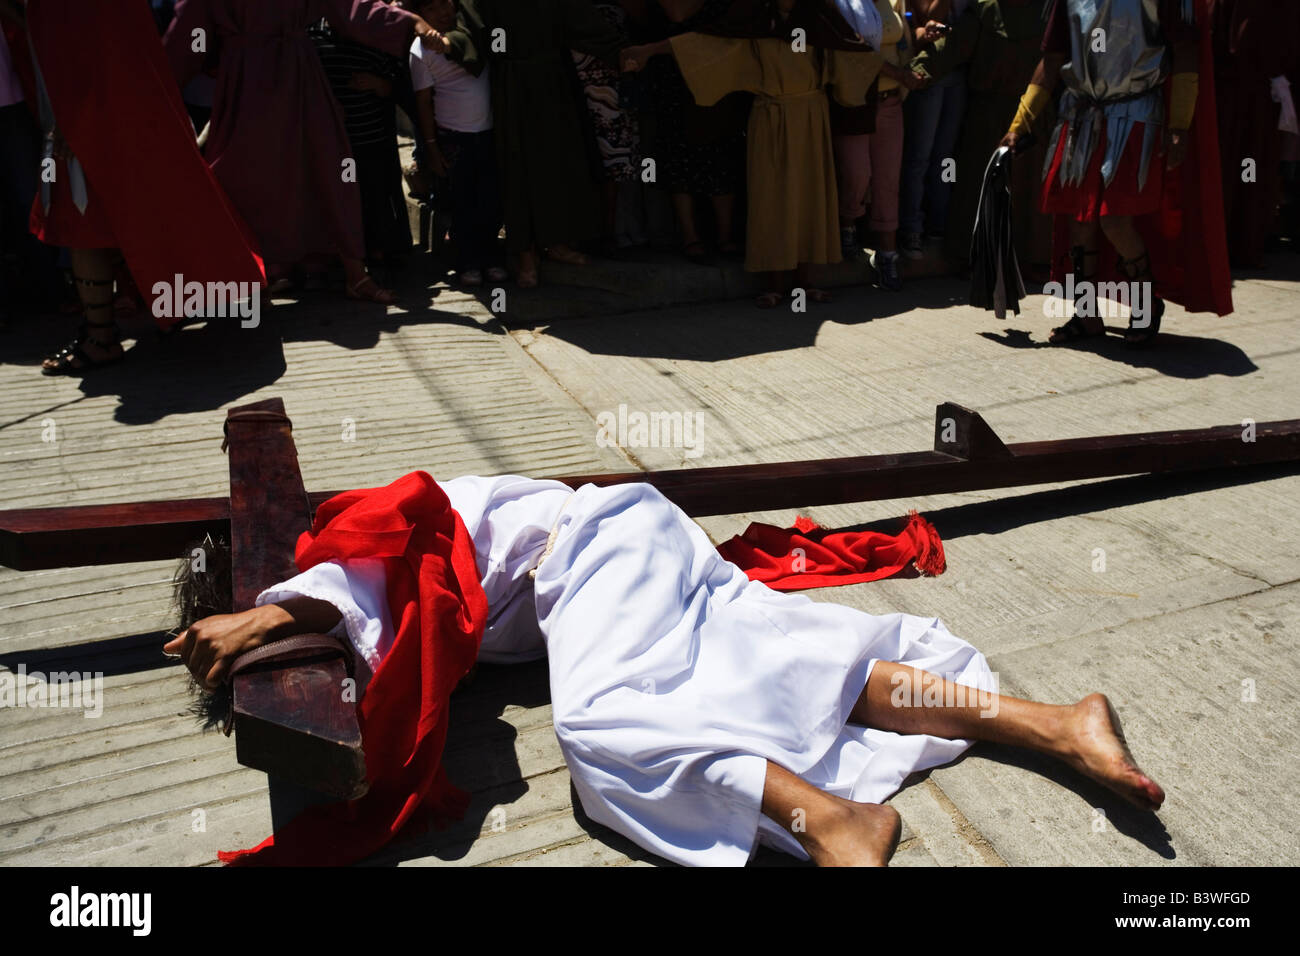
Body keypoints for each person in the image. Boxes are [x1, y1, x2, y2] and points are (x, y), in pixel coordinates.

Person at [168, 471, 1166, 867]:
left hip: (594, 551)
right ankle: (1052, 722)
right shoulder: (353, 555)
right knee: (789, 666)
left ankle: (832, 818)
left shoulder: (348, 537)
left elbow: (383, 564)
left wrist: (269, 608)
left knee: (602, 731)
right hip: (633, 533)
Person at [25, 0, 265, 375]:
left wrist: (74, 118)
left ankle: (101, 337)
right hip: (116, 110)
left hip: (95, 116)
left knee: (87, 224)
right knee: (127, 212)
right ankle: (146, 311)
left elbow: (92, 51)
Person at [163, 0, 448, 304]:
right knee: (248, 178)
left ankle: (353, 272)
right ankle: (261, 270)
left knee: (330, 169)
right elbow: (189, 35)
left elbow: (348, 6)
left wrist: (409, 23)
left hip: (297, 80)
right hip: (249, 85)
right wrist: (158, 82)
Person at [1001, 0, 1232, 346]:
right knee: (1080, 222)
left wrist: (1180, 126)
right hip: (1080, 114)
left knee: (1115, 220)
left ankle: (1145, 304)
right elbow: (1052, 59)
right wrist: (1020, 124)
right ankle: (1086, 315)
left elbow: (1185, 50)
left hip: (1136, 113)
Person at [622, 0, 883, 308]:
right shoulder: (754, 17)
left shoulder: (819, 17)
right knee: (771, 199)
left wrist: (903, 73)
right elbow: (706, 44)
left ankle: (805, 283)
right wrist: (649, 50)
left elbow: (853, 56)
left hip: (811, 118)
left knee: (808, 198)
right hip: (769, 117)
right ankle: (773, 284)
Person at [448, 0, 629, 288]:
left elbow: (580, 20)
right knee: (518, 168)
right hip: (512, 87)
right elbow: (470, 32)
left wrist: (624, 52)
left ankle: (557, 241)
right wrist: (448, 43)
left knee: (558, 162)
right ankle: (525, 255)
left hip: (553, 82)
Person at [908, 0, 1053, 278]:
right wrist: (916, 70)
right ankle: (981, 259)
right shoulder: (987, 9)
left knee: (1027, 190)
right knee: (982, 186)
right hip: (990, 117)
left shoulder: (1049, 9)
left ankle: (1031, 262)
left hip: (1032, 118)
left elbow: (1058, 60)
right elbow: (951, 46)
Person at [409, 0, 506, 286]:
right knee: (463, 201)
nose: (443, 13)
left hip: (489, 133)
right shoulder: (421, 50)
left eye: (446, 5)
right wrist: (431, 146)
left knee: (491, 199)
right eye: (432, 8)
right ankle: (468, 261)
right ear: (421, 15)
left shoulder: (475, 37)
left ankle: (491, 257)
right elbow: (424, 101)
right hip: (454, 137)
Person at [309, 17, 414, 272]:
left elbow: (399, 86)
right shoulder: (311, 38)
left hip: (372, 140)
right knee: (340, 200)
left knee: (375, 198)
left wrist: (379, 84)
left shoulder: (375, 36)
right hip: (331, 144)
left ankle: (377, 253)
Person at [1209, 0, 1300, 268]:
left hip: (1250, 95)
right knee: (1247, 170)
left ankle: (1238, 240)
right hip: (1252, 93)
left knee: (1246, 170)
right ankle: (1241, 239)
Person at [897, 0, 969, 261]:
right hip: (929, 72)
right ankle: (911, 228)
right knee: (919, 156)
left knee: (946, 157)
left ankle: (938, 226)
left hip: (959, 72)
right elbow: (926, 21)